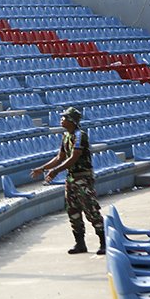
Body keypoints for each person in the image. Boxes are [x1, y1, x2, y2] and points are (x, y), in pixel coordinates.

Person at [30, 107, 105, 255]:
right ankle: (80, 243)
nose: (61, 120)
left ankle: (103, 242)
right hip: (71, 178)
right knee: (73, 210)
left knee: (91, 209)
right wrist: (43, 168)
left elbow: (74, 157)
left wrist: (55, 171)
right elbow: (60, 157)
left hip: (82, 177)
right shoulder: (66, 136)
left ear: (71, 120)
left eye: (64, 118)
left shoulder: (80, 136)